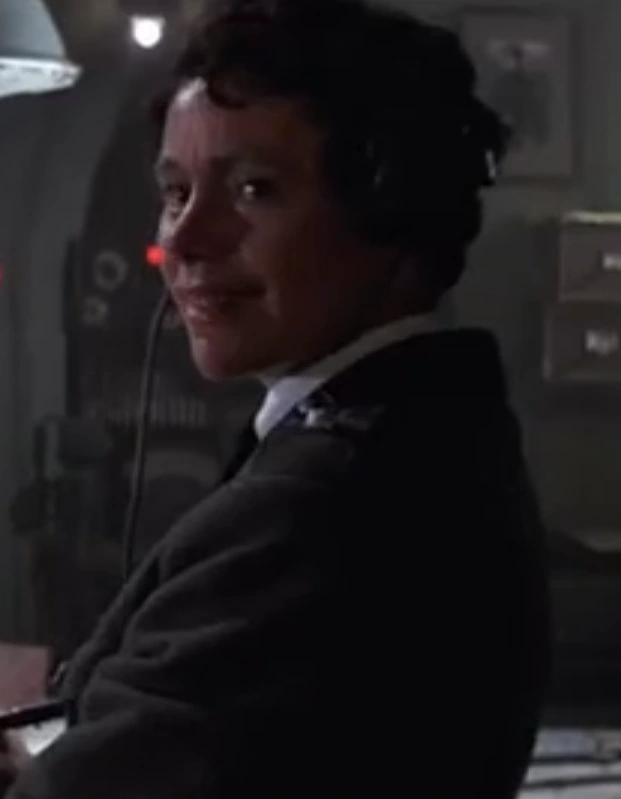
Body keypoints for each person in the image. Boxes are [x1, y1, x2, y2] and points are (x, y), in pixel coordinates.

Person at [1, 0, 550, 796]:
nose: (185, 239)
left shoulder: (321, 506)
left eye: (253, 189)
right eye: (175, 192)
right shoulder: (424, 431)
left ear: (392, 209)